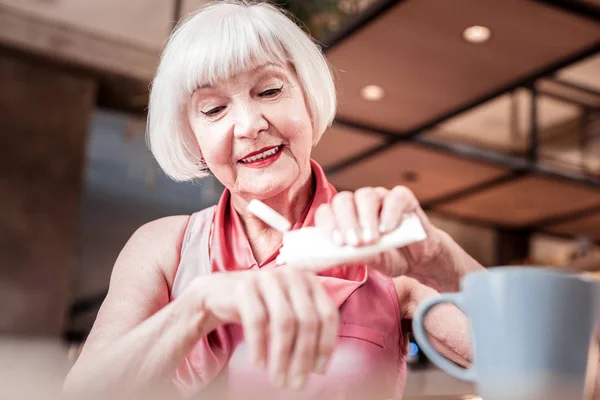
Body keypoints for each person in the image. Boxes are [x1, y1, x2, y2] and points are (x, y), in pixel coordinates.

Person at [62, 1, 484, 399]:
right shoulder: (162, 248)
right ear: (192, 135)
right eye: (213, 110)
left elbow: (541, 370)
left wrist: (444, 264)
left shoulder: (387, 247)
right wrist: (198, 306)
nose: (248, 125)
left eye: (269, 91)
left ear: (307, 97)